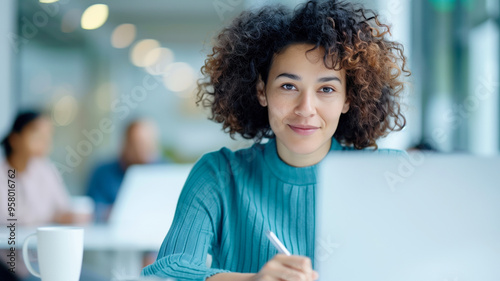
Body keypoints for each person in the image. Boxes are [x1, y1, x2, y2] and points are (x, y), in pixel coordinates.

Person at [142, 1, 409, 280]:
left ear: (348, 99)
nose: (306, 108)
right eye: (288, 86)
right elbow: (165, 272)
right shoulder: (220, 175)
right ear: (261, 91)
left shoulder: (390, 174)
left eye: (327, 89)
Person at [0, 111, 88, 281]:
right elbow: (9, 218)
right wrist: (53, 216)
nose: (45, 141)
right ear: (15, 139)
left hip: (50, 260)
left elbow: (64, 209)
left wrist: (70, 216)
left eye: (48, 135)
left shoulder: (47, 170)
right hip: (12, 266)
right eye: (37, 134)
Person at [86, 119, 161, 222]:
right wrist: (117, 212)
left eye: (148, 143)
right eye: (138, 144)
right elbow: (92, 210)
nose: (143, 150)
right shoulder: (103, 173)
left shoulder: (163, 170)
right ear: (126, 144)